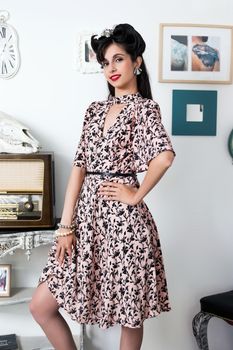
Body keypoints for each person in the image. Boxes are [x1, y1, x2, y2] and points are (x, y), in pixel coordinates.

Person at [29, 23, 175, 350]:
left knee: (129, 315)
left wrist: (135, 194)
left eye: (118, 59)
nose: (111, 68)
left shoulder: (144, 109)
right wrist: (65, 225)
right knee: (41, 306)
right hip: (85, 222)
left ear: (137, 61)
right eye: (105, 62)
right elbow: (79, 168)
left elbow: (164, 157)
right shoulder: (94, 111)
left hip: (124, 226)